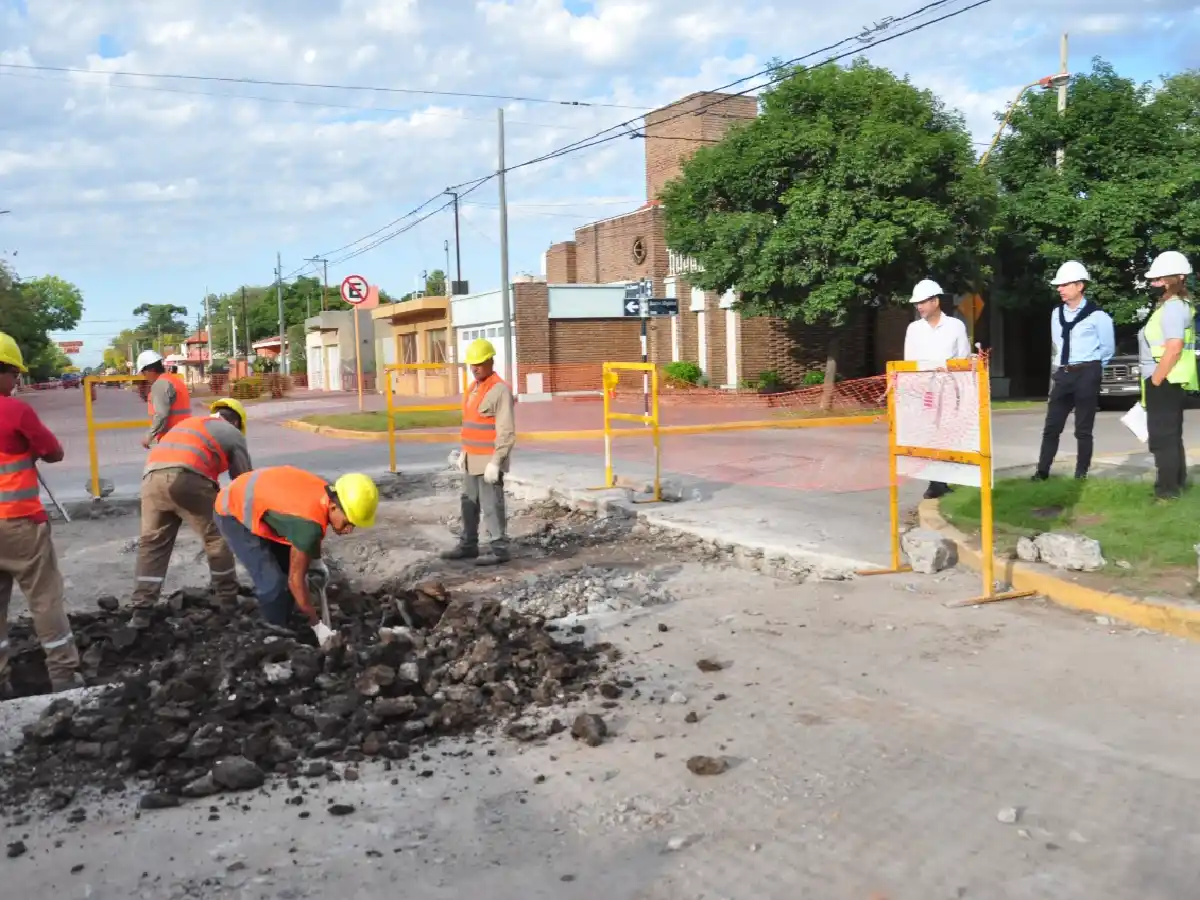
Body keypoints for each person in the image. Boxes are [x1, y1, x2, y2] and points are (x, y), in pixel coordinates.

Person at [0, 331, 84, 696]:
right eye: (14, 373)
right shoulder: (14, 410)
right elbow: (53, 452)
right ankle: (63, 676)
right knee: (45, 598)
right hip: (19, 524)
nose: (17, 380)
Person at [213, 466, 378, 629]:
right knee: (273, 584)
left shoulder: (326, 495)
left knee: (287, 570)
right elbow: (295, 580)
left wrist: (316, 561)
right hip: (232, 512)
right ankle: (274, 631)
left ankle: (285, 615)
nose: (349, 530)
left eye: (353, 525)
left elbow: (308, 530)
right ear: (334, 507)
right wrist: (316, 625)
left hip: (257, 501)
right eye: (347, 523)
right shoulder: (308, 525)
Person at [131, 398, 253, 608]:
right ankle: (228, 600)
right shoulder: (232, 433)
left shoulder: (188, 424)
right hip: (188, 480)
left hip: (151, 482)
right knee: (216, 538)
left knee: (152, 545)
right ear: (236, 422)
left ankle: (141, 609)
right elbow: (244, 481)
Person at [1033, 261, 1115, 481]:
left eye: (1064, 284)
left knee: (1083, 429)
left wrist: (1092, 370)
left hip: (1087, 372)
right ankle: (1042, 472)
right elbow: (1057, 344)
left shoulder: (1098, 316)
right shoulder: (1056, 314)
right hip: (1064, 373)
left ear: (1079, 286)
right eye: (1058, 285)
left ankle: (1081, 474)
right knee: (1052, 426)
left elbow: (1107, 348)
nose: (1059, 289)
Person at [441, 338, 516, 566]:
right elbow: (471, 423)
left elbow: (506, 431)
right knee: (468, 502)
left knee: (492, 504)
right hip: (471, 458)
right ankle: (469, 545)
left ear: (491, 361)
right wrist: (464, 451)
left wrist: (497, 461)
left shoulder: (500, 390)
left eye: (479, 363)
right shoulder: (473, 389)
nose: (474, 368)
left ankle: (499, 549)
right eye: (472, 364)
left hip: (489, 460)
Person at [902, 279, 971, 500]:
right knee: (930, 433)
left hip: (949, 389)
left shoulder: (955, 326)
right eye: (917, 303)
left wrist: (961, 391)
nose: (918, 306)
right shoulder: (914, 329)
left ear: (935, 301)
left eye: (922, 302)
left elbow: (964, 360)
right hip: (926, 391)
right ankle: (935, 482)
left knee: (948, 433)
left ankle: (943, 480)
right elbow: (909, 363)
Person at [1139, 251, 1196, 501]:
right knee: (1170, 437)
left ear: (1175, 278)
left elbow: (1174, 347)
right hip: (1169, 379)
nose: (1155, 282)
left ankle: (1166, 492)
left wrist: (1156, 380)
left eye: (1160, 277)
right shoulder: (1176, 305)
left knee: (1162, 439)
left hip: (1164, 379)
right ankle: (1176, 486)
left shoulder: (1173, 307)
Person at [136, 349, 192, 449]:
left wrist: (149, 436)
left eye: (144, 373)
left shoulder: (160, 384)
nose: (145, 377)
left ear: (151, 370)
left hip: (170, 440)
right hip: (183, 436)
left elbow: (161, 414)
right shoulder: (175, 380)